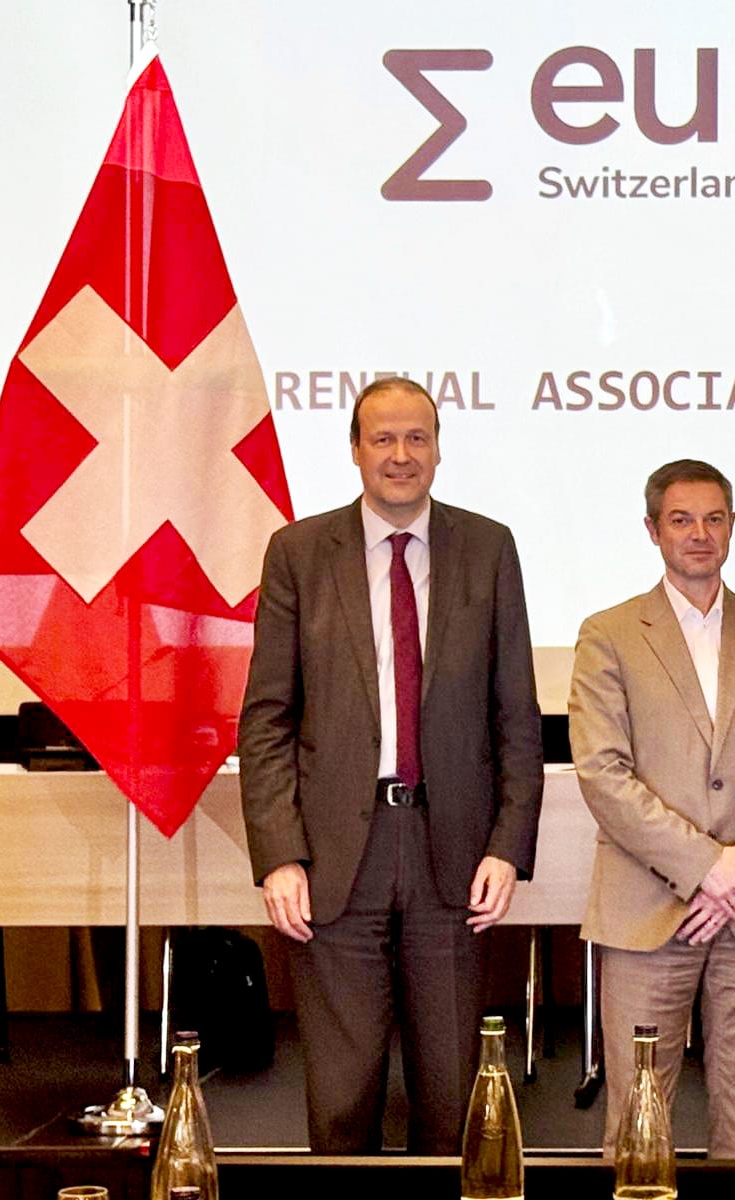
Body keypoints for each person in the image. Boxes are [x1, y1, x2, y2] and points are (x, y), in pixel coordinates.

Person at [238, 376, 544, 1153]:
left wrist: (507, 847)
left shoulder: (489, 547)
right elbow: (267, 719)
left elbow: (515, 716)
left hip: (456, 854)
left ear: (438, 449)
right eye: (383, 439)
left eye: (417, 438)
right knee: (341, 1101)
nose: (401, 455)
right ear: (354, 450)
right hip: (337, 854)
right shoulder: (299, 553)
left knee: (452, 1099)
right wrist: (279, 855)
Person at [568, 459, 735, 1159]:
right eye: (681, 520)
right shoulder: (608, 633)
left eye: (714, 519)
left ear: (733, 527)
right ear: (653, 530)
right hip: (647, 909)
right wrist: (706, 867)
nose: (699, 534)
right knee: (637, 1125)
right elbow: (603, 772)